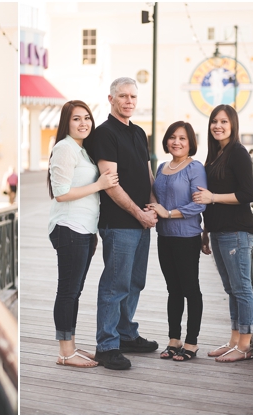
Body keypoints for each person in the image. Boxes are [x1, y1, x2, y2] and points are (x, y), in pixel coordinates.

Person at [83, 77, 159, 371]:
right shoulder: (104, 133)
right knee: (115, 285)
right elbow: (110, 185)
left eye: (133, 97)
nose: (129, 101)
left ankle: (126, 334)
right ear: (111, 99)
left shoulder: (139, 133)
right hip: (120, 223)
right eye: (123, 96)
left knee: (134, 282)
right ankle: (107, 346)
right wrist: (138, 214)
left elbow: (148, 174)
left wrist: (152, 207)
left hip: (142, 221)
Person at [47, 100, 118, 368]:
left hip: (83, 229)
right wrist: (99, 184)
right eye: (76, 118)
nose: (83, 123)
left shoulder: (82, 150)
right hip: (69, 228)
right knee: (67, 291)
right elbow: (62, 193)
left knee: (73, 291)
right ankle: (65, 352)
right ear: (66, 122)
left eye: (87, 117)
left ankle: (71, 346)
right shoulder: (65, 148)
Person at [191, 104, 253, 363]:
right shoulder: (217, 154)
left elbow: (247, 194)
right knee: (231, 289)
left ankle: (245, 344)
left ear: (233, 125)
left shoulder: (238, 153)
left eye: (224, 122)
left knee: (241, 288)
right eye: (214, 121)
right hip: (218, 231)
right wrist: (206, 231)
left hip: (237, 232)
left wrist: (213, 197)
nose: (218, 126)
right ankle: (233, 340)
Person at [146, 122, 207, 362]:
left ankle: (191, 342)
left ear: (190, 142)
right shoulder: (162, 167)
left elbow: (199, 204)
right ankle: (174, 339)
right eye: (172, 137)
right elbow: (156, 198)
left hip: (187, 236)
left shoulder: (195, 168)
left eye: (182, 138)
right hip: (165, 237)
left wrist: (168, 213)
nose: (176, 142)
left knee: (190, 289)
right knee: (173, 289)